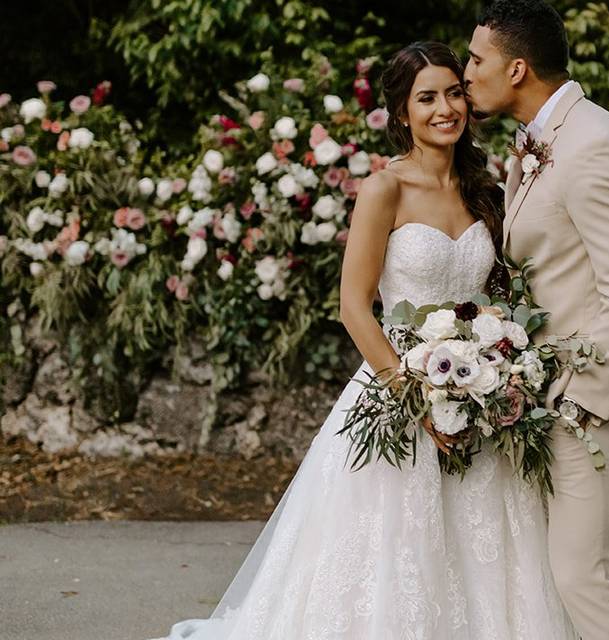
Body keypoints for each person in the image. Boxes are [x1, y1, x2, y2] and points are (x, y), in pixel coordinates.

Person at [150, 41, 577, 640]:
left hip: (480, 390)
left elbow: (501, 296)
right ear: (401, 113)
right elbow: (354, 307)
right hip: (397, 390)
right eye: (426, 97)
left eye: (455, 92)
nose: (445, 108)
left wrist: (498, 363)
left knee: (487, 546)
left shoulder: (487, 188)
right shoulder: (385, 190)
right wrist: (416, 397)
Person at [463, 1, 609, 638]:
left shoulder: (592, 144)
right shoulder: (538, 141)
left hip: (591, 402)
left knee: (583, 574)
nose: (467, 73)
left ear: (518, 68)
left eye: (477, 60)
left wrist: (578, 402)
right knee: (550, 573)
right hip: (542, 391)